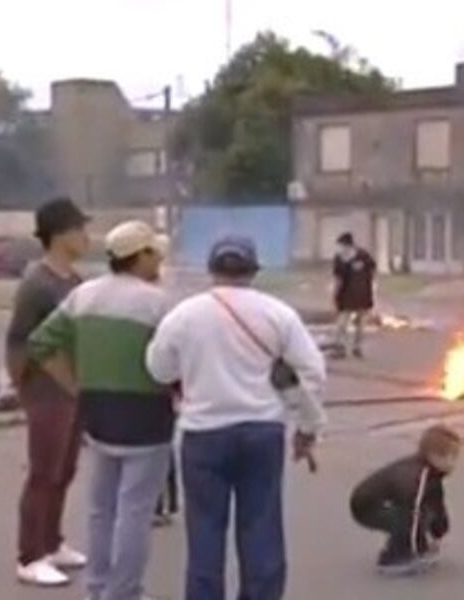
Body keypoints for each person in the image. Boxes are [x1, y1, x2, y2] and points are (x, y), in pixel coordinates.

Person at [146, 235, 327, 600]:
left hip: (202, 433)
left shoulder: (184, 315)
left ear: (212, 270)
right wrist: (306, 428)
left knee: (205, 534)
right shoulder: (278, 314)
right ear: (253, 270)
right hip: (262, 431)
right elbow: (313, 373)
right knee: (261, 527)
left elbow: (159, 370)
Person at [30, 220, 174, 600]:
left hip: (97, 413)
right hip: (147, 416)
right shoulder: (158, 303)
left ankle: (97, 587)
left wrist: (74, 385)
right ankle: (124, 592)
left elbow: (40, 343)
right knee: (135, 513)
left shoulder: (82, 296)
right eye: (154, 253)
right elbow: (175, 360)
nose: (158, 259)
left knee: (101, 510)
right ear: (140, 256)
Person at [6, 197, 90, 587]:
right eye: (80, 229)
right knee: (43, 472)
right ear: (59, 234)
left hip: (74, 387)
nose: (86, 237)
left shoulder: (74, 281)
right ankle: (30, 555)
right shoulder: (36, 283)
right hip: (45, 389)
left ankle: (52, 542)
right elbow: (22, 341)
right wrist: (27, 386)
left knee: (65, 469)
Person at [350, 425, 461, 575]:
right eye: (450, 457)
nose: (454, 463)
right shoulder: (417, 476)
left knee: (421, 512)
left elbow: (436, 503)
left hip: (389, 503)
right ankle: (392, 559)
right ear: (433, 456)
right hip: (366, 507)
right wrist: (417, 550)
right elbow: (413, 513)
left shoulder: (432, 475)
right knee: (414, 516)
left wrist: (438, 534)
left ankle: (406, 546)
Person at [331, 232, 376, 359]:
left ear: (347, 245)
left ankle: (349, 347)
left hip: (357, 294)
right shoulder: (344, 258)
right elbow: (338, 279)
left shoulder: (359, 256)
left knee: (354, 321)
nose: (340, 249)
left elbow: (372, 269)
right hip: (354, 294)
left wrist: (334, 295)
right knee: (349, 322)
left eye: (341, 245)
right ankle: (347, 347)